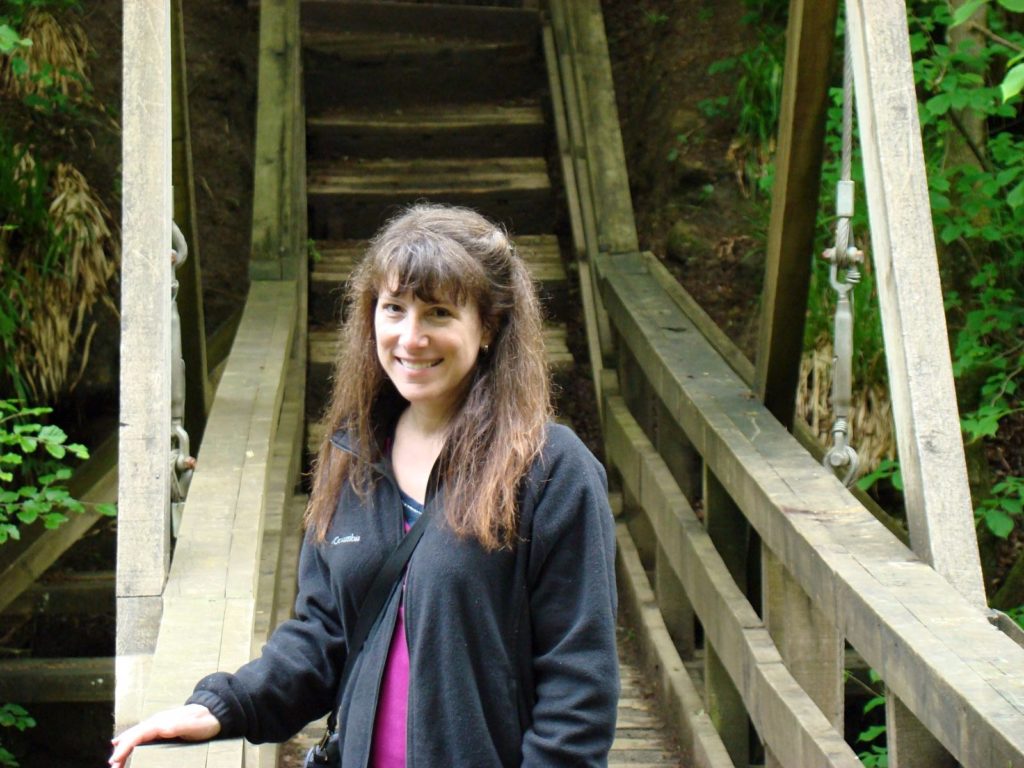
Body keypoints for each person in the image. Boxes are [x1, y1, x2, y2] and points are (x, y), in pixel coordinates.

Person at [109, 203, 619, 767]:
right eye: (394, 309)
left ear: (490, 326)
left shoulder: (550, 470)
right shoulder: (351, 456)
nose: (411, 337)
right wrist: (224, 706)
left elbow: (579, 686)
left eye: (440, 313)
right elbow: (324, 635)